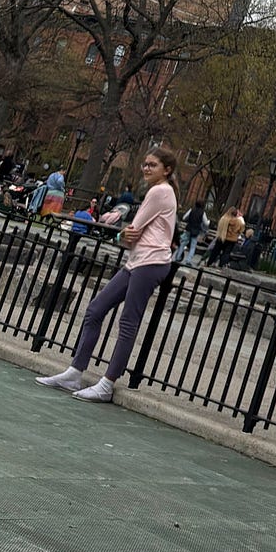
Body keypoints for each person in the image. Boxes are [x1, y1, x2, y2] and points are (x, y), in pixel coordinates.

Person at [34, 147, 179, 403]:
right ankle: (75, 372)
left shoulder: (160, 191)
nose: (146, 168)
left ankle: (107, 383)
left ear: (166, 170)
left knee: (127, 322)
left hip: (150, 262)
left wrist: (122, 234)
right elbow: (127, 236)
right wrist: (122, 235)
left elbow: (132, 230)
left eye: (152, 165)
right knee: (95, 310)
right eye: (145, 164)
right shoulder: (156, 191)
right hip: (137, 261)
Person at [178, 200, 208, 266]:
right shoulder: (203, 213)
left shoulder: (191, 210)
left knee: (183, 244)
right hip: (196, 231)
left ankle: (178, 257)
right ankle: (188, 260)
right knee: (193, 246)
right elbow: (206, 223)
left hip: (188, 228)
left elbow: (184, 217)